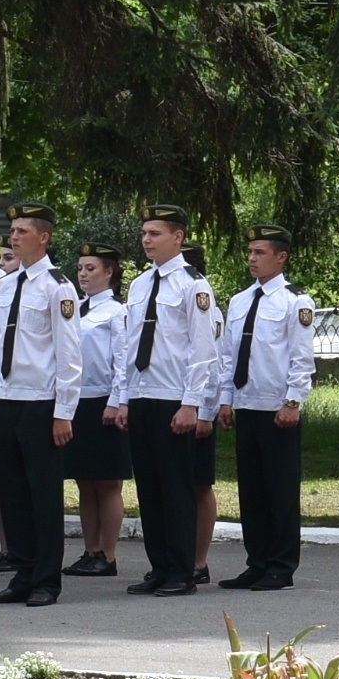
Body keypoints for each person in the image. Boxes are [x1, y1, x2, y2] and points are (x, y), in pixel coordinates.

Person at [0, 203, 81, 607]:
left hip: (41, 402)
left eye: (23, 231)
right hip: (6, 399)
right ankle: (20, 572)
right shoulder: (4, 286)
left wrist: (63, 412)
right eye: (13, 230)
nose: (14, 236)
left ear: (44, 237)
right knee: (12, 493)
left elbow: (69, 354)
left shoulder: (58, 287)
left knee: (42, 494)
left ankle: (45, 579)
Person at [114, 204, 219, 596]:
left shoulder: (194, 285)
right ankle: (159, 567)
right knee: (150, 487)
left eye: (155, 233)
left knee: (176, 487)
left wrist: (192, 403)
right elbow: (128, 347)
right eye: (144, 233)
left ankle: (182, 570)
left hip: (173, 397)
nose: (146, 239)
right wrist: (124, 398)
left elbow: (202, 349)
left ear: (177, 237)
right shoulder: (140, 285)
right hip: (142, 395)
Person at [215, 224, 317, 591]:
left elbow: (301, 358)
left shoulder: (295, 302)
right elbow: (228, 356)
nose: (252, 259)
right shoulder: (240, 300)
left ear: (281, 257)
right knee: (252, 490)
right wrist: (225, 399)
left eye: (260, 253)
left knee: (280, 490)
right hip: (246, 403)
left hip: (277, 407)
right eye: (250, 252)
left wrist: (293, 402)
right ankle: (256, 562)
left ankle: (281, 565)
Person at [63, 243, 129, 578]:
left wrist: (116, 400)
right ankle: (89, 551)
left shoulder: (115, 312)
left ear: (109, 272)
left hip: (103, 399)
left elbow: (122, 360)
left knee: (106, 482)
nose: (84, 275)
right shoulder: (75, 308)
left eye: (91, 269)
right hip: (77, 400)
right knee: (83, 481)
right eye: (80, 269)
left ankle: (108, 552)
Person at [183, 241, 221, 584]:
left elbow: (213, 365)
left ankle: (199, 560)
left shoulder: (208, 309)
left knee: (199, 485)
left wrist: (206, 412)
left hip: (198, 409)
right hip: (176, 404)